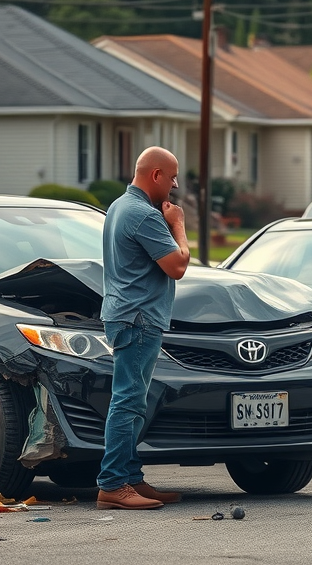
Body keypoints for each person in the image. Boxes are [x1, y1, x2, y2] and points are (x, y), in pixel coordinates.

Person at [96, 146, 190, 510]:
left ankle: (131, 477)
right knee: (129, 400)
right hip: (138, 319)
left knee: (134, 399)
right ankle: (114, 483)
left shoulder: (119, 207)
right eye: (172, 177)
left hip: (125, 314)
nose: (175, 186)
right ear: (155, 175)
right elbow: (178, 265)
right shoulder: (143, 215)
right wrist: (178, 225)